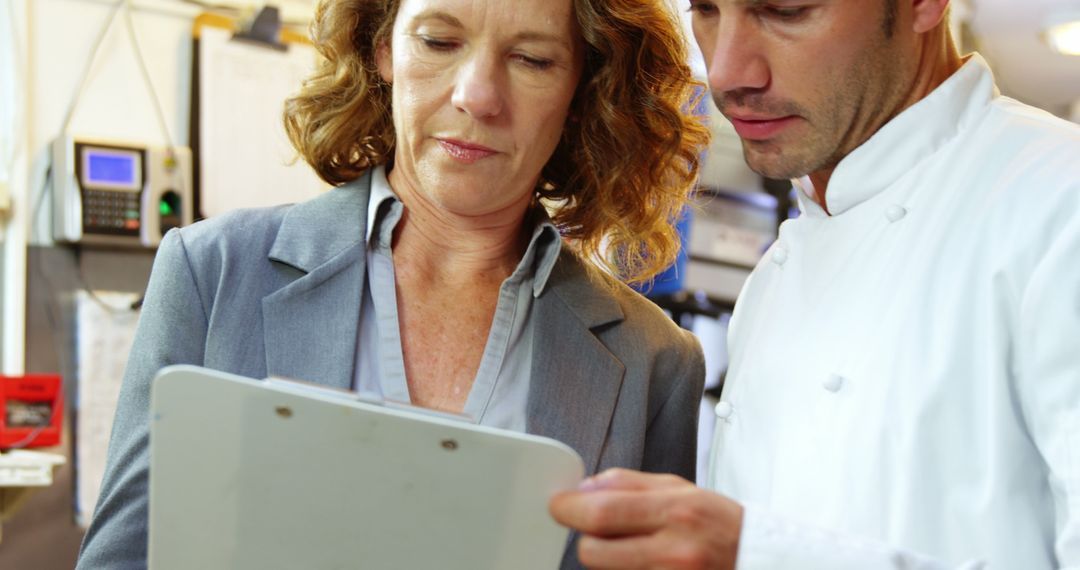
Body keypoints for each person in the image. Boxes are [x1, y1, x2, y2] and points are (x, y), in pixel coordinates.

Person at [75, 0, 710, 567]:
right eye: (439, 41)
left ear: (582, 86)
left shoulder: (653, 361)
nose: (477, 95)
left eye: (532, 59)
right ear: (383, 46)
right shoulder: (210, 272)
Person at [551, 0, 1080, 568]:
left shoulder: (1058, 201)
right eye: (704, 9)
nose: (728, 73)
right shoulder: (773, 275)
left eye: (785, 10)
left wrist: (753, 554)